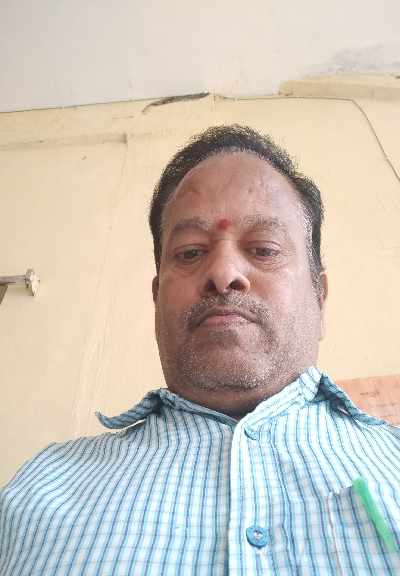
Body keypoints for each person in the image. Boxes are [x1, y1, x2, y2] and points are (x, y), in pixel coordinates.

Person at [1, 125, 399, 575]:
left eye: (264, 248)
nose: (223, 272)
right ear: (157, 298)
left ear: (319, 297)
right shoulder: (39, 487)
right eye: (190, 252)